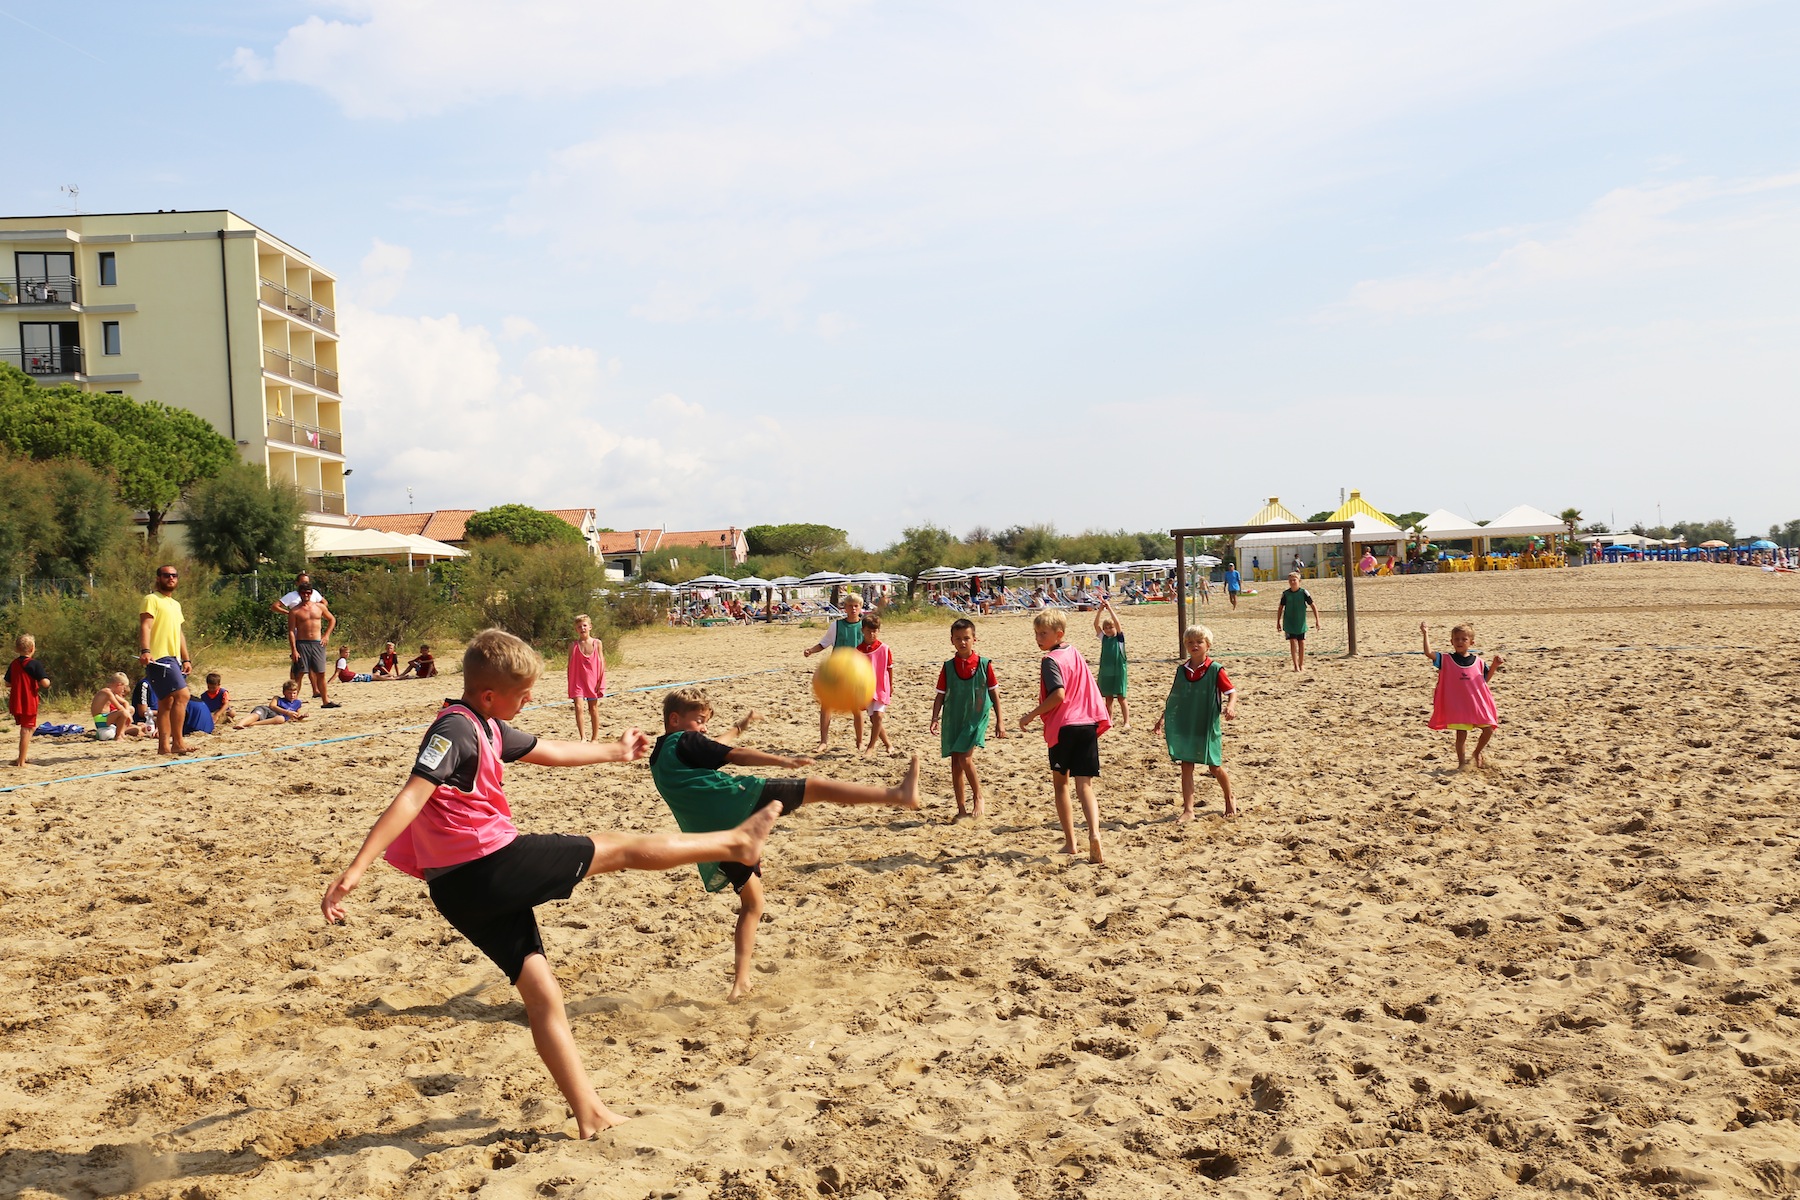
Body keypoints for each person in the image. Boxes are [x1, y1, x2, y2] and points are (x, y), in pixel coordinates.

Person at [321, 630, 784, 1137]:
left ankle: (588, 1113)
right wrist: (357, 867)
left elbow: (550, 751)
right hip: (489, 866)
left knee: (543, 994)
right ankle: (734, 845)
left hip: (457, 893)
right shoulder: (454, 731)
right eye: (523, 694)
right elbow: (412, 796)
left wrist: (615, 750)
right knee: (619, 848)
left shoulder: (487, 724)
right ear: (491, 695)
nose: (531, 700)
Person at [650, 687, 921, 1000]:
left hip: (717, 838)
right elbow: (731, 754)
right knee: (816, 787)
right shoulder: (686, 740)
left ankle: (740, 982)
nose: (705, 727)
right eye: (700, 720)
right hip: (740, 802)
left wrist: (740, 726)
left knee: (752, 903)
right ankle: (898, 795)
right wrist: (781, 760)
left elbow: (712, 746)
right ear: (675, 719)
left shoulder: (662, 755)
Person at [1019, 610, 1110, 864]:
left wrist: (1031, 715)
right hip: (1087, 724)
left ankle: (1071, 842)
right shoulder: (1075, 653)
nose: (1038, 638)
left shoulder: (1051, 660)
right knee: (1085, 786)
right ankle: (1094, 833)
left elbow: (1058, 695)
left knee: (1061, 785)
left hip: (1065, 728)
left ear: (1059, 634)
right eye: (1036, 633)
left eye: (1043, 634)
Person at [1150, 625, 1238, 819]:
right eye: (1190, 642)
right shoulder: (1182, 670)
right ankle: (1188, 810)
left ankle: (1229, 797)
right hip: (1186, 722)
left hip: (1206, 724)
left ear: (1208, 645)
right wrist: (1162, 718)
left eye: (1199, 642)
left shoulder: (1215, 669)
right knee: (1186, 765)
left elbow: (1231, 692)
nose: (1194, 645)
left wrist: (1230, 707)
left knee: (1214, 766)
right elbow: (1175, 698)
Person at [929, 618, 1006, 819]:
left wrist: (1000, 720)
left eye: (966, 638)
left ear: (974, 639)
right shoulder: (947, 667)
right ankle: (961, 808)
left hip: (976, 717)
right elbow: (940, 695)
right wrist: (934, 718)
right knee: (955, 764)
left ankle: (978, 796)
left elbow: (994, 693)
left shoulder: (984, 664)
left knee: (965, 758)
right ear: (952, 641)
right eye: (958, 639)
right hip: (954, 718)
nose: (962, 642)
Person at [1422, 621, 1503, 768]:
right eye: (1457, 639)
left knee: (1489, 729)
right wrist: (1425, 633)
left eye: (1464, 639)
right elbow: (1428, 653)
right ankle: (1461, 764)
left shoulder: (1478, 661)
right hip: (1459, 706)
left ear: (1471, 642)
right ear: (1451, 641)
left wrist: (1494, 666)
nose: (1460, 642)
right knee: (1461, 735)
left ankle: (1476, 753)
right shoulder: (1445, 659)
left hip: (1476, 703)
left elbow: (1484, 679)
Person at [139, 564, 193, 755]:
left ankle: (164, 747)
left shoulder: (175, 604)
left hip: (173, 658)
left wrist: (186, 659)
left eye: (174, 575)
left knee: (166, 702)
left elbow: (179, 633)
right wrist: (145, 650)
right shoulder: (151, 599)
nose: (171, 578)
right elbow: (145, 626)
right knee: (183, 696)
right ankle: (178, 742)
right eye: (166, 575)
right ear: (158, 578)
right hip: (158, 657)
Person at [800, 591, 864, 751]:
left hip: (856, 672)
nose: (853, 609)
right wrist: (811, 651)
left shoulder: (864, 626)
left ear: (861, 607)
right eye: (850, 606)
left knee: (856, 708)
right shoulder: (836, 625)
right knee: (826, 705)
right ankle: (823, 741)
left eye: (856, 606)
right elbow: (824, 643)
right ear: (845, 608)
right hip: (836, 671)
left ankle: (860, 742)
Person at [287, 574, 339, 708]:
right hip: (302, 643)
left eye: (308, 593)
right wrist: (294, 649)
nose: (306, 595)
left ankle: (325, 701)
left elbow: (332, 619)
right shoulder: (295, 611)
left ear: (311, 593)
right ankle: (292, 703)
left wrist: (326, 635)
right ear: (300, 594)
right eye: (303, 593)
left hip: (317, 643)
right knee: (299, 674)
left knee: (320, 673)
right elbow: (291, 631)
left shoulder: (319, 607)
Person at [7, 633, 49, 767]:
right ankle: (21, 761)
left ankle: (22, 756)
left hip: (16, 700)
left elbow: (7, 683)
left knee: (30, 728)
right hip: (28, 700)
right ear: (32, 649)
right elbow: (45, 683)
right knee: (26, 729)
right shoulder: (34, 664)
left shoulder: (14, 664)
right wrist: (47, 680)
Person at [858, 614, 894, 755]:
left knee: (879, 716)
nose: (872, 634)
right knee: (874, 719)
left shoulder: (884, 648)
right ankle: (888, 744)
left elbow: (889, 668)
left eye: (875, 631)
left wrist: (890, 685)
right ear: (863, 631)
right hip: (866, 689)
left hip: (881, 686)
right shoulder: (858, 650)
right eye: (868, 631)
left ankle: (870, 747)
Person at [567, 614, 606, 742]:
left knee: (593, 708)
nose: (582, 628)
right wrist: (570, 682)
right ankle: (583, 737)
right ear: (576, 629)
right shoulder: (573, 645)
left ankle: (594, 738)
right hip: (577, 681)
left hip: (593, 680)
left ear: (590, 626)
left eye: (584, 625)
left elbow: (601, 662)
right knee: (578, 707)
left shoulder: (597, 643)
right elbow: (569, 665)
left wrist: (600, 680)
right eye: (579, 626)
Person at [1092, 598, 1130, 731]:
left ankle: (1126, 722)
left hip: (1119, 671)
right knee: (1108, 699)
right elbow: (1095, 625)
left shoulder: (1119, 639)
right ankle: (1110, 720)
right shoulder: (1104, 639)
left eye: (1110, 627)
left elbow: (1118, 623)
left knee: (1121, 698)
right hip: (1106, 671)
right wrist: (1100, 610)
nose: (1108, 630)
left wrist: (1109, 608)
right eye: (1106, 628)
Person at [1276, 572, 1322, 672]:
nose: (1292, 582)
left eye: (1294, 580)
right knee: (1293, 642)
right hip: (1289, 622)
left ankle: (1301, 665)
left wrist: (1317, 620)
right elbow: (1280, 608)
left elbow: (1313, 606)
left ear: (1299, 581)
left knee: (1301, 643)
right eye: (1290, 580)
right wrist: (1278, 622)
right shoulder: (1286, 594)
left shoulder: (1304, 592)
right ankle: (1296, 666)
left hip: (1301, 622)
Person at [91, 673, 142, 743]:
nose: (123, 691)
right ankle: (118, 736)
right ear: (119, 685)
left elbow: (125, 703)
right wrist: (128, 716)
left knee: (130, 709)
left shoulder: (112, 693)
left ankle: (122, 732)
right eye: (123, 688)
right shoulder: (107, 692)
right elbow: (119, 707)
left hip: (107, 718)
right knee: (123, 713)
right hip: (100, 718)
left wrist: (128, 713)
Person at [235, 680, 307, 729]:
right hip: (266, 711)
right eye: (289, 693)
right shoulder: (277, 698)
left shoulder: (298, 703)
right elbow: (272, 706)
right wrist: (287, 712)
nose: (292, 695)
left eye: (294, 693)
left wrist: (302, 717)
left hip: (276, 718)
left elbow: (296, 717)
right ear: (284, 693)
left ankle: (252, 724)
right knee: (256, 715)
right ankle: (240, 724)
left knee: (281, 719)